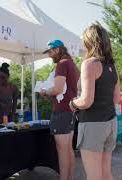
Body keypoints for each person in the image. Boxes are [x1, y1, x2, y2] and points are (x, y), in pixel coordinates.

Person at [70, 23, 120, 180]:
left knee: (94, 176)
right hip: (110, 122)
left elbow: (86, 101)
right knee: (106, 173)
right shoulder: (112, 66)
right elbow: (117, 99)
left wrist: (72, 103)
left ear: (89, 41)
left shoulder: (90, 63)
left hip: (93, 124)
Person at [40, 39, 79, 180]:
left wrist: (44, 92)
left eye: (50, 52)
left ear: (57, 50)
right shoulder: (72, 64)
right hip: (70, 111)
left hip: (62, 112)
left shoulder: (62, 64)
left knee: (63, 152)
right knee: (68, 150)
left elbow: (57, 89)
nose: (49, 55)